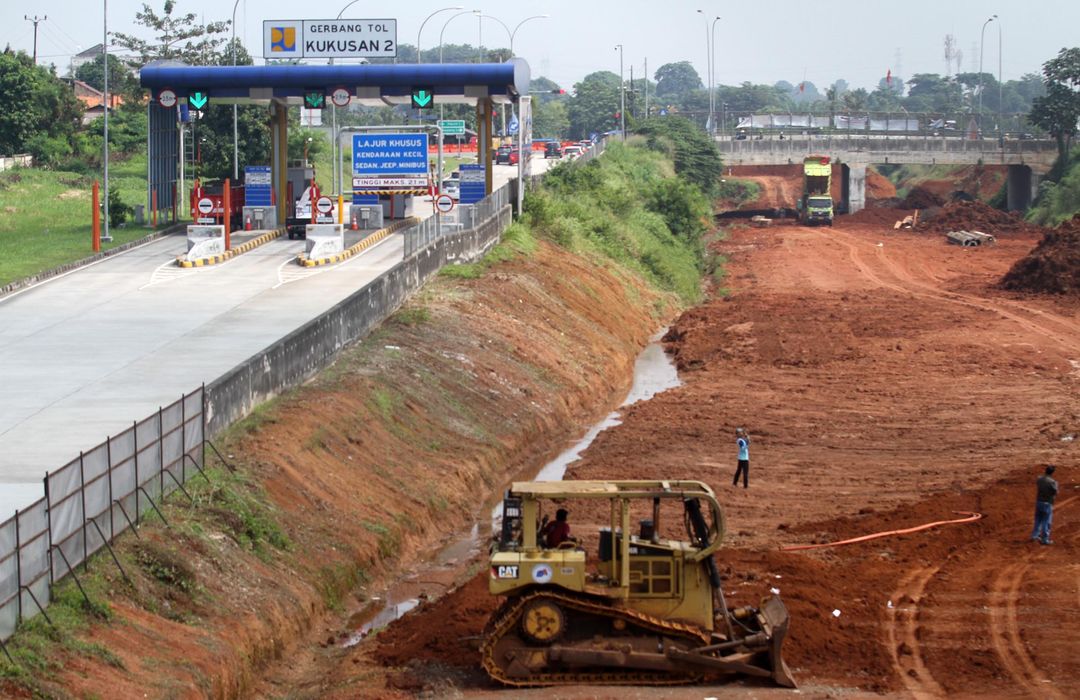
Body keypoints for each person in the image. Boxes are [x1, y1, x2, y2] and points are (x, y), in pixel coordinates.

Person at [1031, 465, 1058, 545]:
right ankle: (1045, 539)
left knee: (1038, 520)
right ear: (1052, 472)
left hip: (1039, 502)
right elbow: (1055, 492)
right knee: (1046, 521)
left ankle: (1035, 536)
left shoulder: (1039, 479)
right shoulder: (1052, 482)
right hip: (1047, 503)